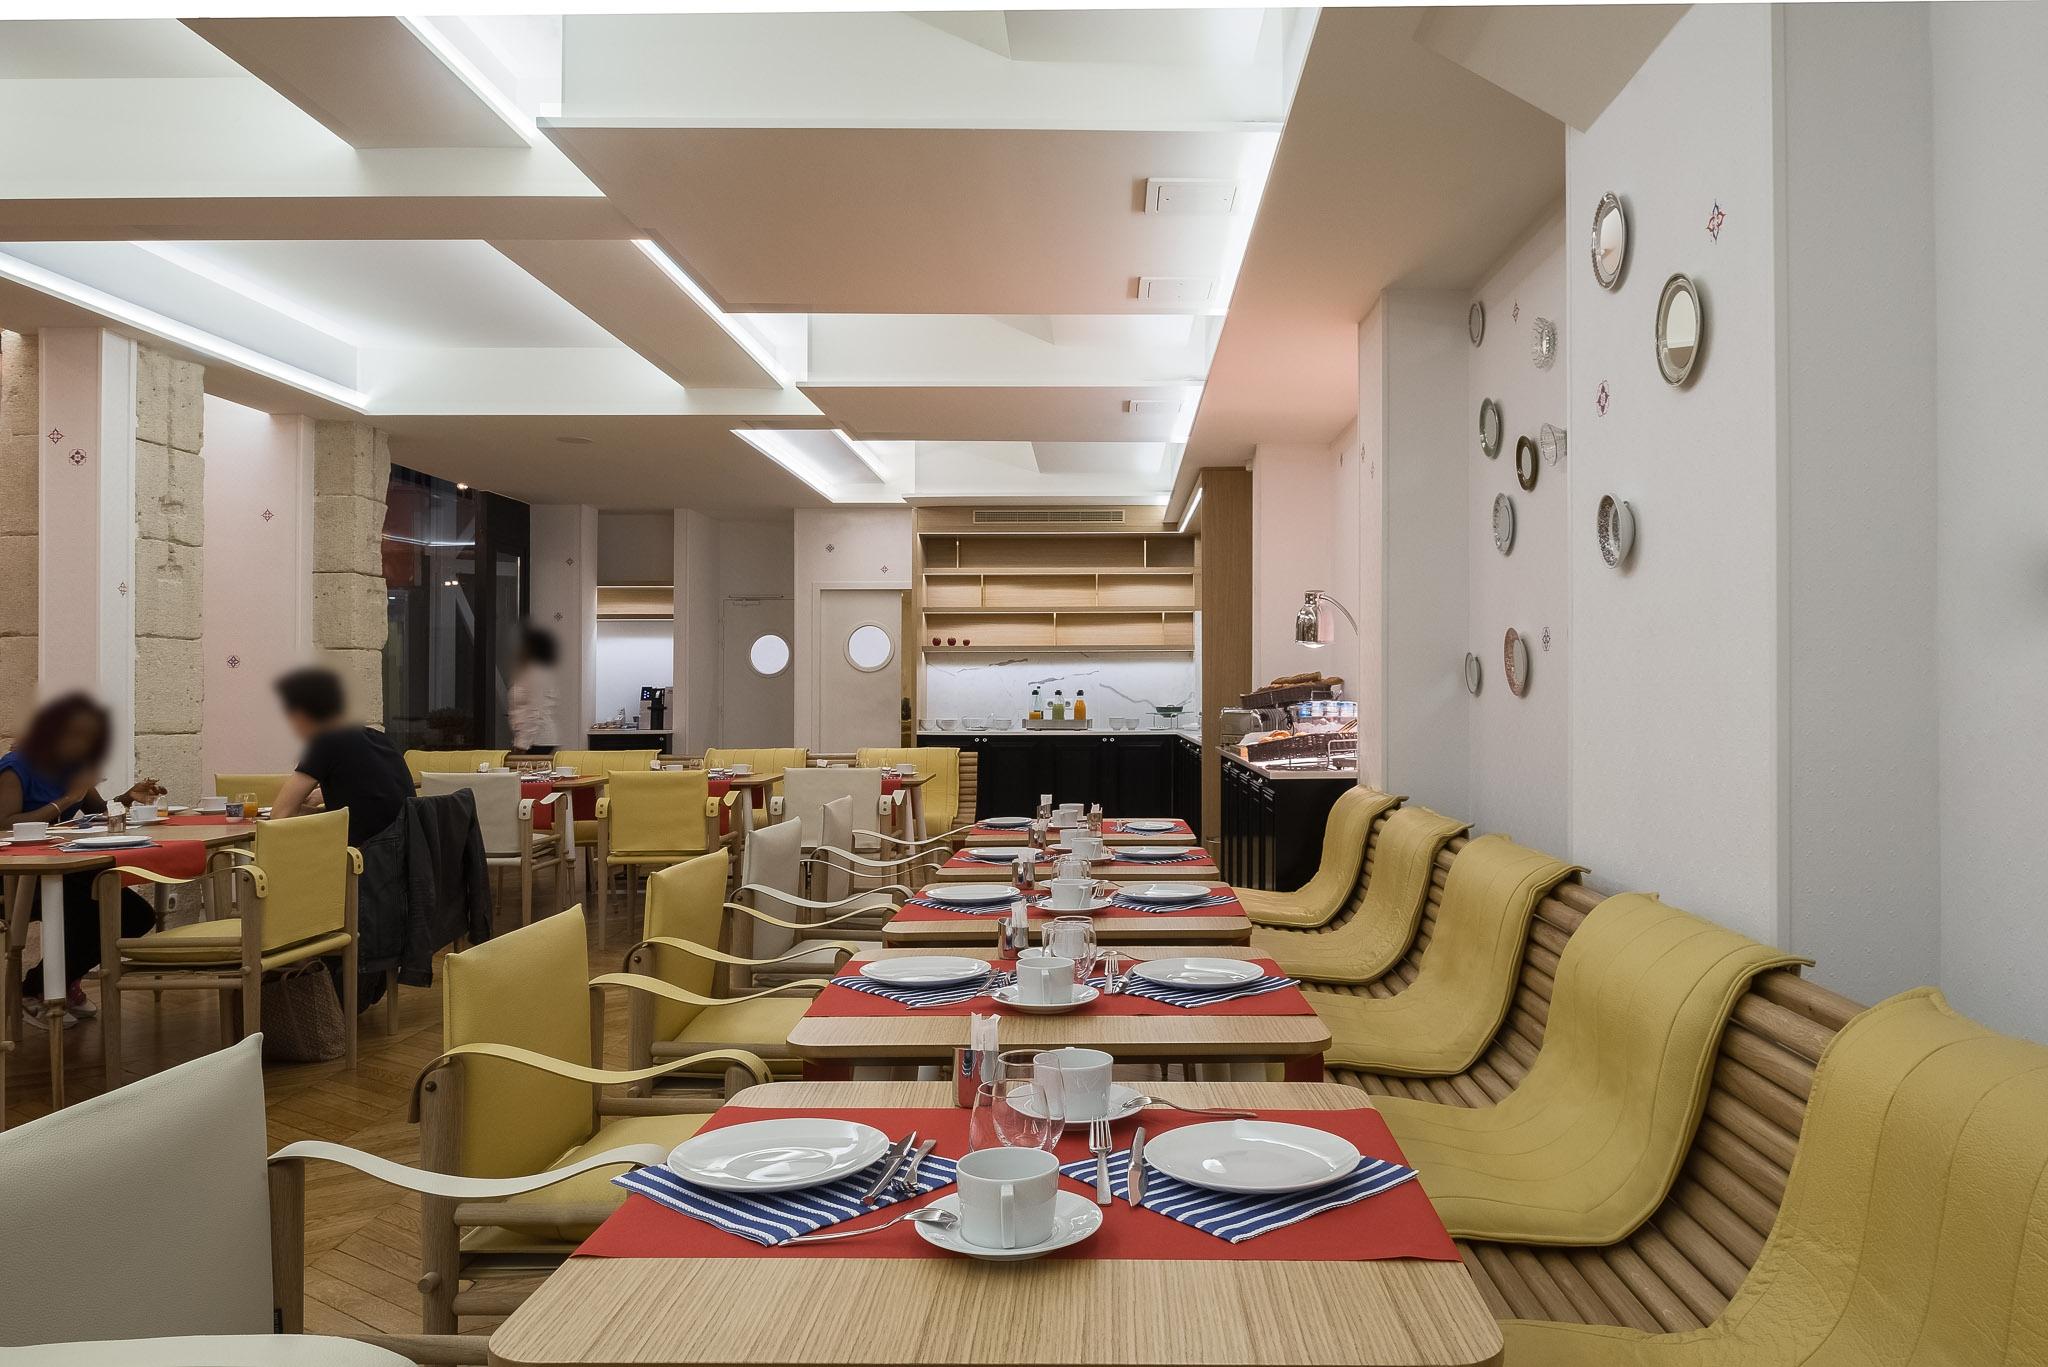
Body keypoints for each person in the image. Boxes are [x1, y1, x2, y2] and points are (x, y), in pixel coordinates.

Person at [0, 693, 162, 1023]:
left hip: (61, 868)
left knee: (135, 915)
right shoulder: (15, 768)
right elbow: (5, 824)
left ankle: (50, 983)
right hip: (17, 877)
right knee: (90, 912)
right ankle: (40, 990)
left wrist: (127, 798)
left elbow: (99, 812)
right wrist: (64, 800)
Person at [270, 667, 414, 848]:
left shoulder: (326, 742)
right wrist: (323, 799)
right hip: (403, 854)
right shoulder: (382, 739)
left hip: (362, 858)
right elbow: (372, 799)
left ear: (301, 716)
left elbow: (279, 815)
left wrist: (302, 810)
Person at [508, 624, 561, 754]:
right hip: (532, 739)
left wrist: (522, 744)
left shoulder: (536, 673)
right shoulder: (528, 671)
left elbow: (535, 711)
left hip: (537, 740)